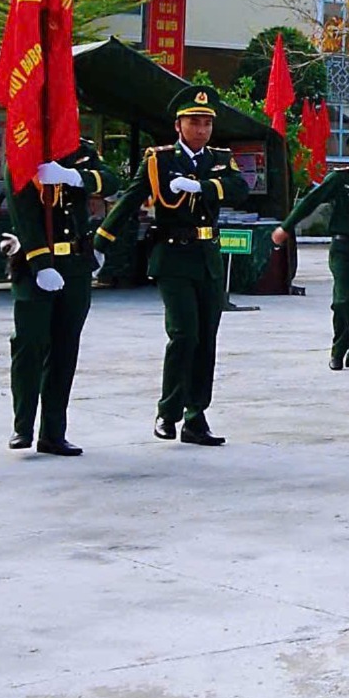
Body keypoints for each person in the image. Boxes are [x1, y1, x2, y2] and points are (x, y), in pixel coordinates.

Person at [97, 84, 249, 445]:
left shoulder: (218, 157)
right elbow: (131, 198)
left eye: (207, 123)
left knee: (206, 340)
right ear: (178, 125)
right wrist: (101, 241)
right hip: (173, 257)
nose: (201, 130)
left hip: (208, 257)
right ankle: (168, 412)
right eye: (194, 122)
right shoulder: (159, 160)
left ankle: (197, 417)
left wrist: (203, 187)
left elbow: (240, 186)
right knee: (184, 335)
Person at [1, 137, 119, 454]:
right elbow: (22, 214)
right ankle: (22, 425)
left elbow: (110, 180)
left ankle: (53, 432)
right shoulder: (23, 148)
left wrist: (73, 177)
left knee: (65, 349)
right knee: (29, 345)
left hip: (75, 266)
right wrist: (41, 263)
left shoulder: (81, 150)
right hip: (34, 265)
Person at [274, 122, 349, 370]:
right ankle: (338, 350)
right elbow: (310, 202)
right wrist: (286, 227)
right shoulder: (339, 180)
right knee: (343, 300)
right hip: (343, 248)